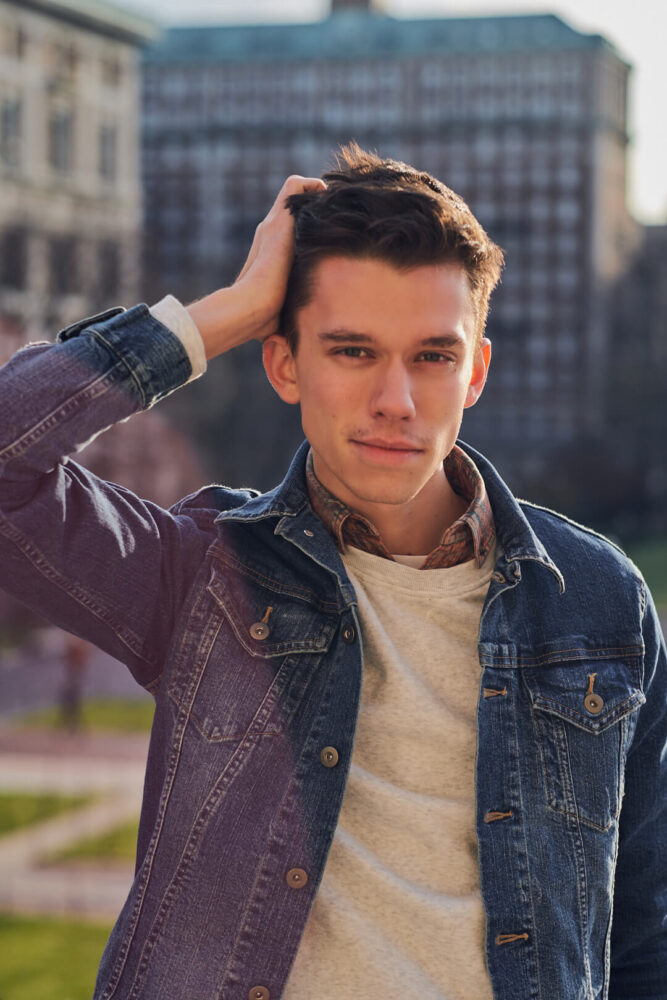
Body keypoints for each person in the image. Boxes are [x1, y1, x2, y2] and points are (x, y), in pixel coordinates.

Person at [0, 145, 664, 1000]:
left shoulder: (599, 601)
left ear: (476, 373)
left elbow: (639, 932)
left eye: (432, 356)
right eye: (352, 351)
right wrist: (222, 317)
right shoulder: (206, 572)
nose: (396, 398)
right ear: (282, 362)